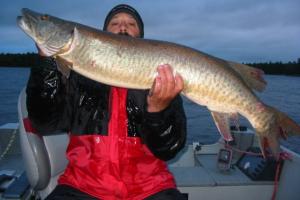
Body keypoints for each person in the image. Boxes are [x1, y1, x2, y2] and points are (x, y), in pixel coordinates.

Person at [26, 4, 187, 200]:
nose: (122, 28)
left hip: (150, 187)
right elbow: (44, 122)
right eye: (115, 23)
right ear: (102, 34)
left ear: (141, 36)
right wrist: (45, 62)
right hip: (82, 186)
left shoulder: (164, 84)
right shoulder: (76, 78)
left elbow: (168, 150)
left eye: (131, 24)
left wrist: (158, 110)